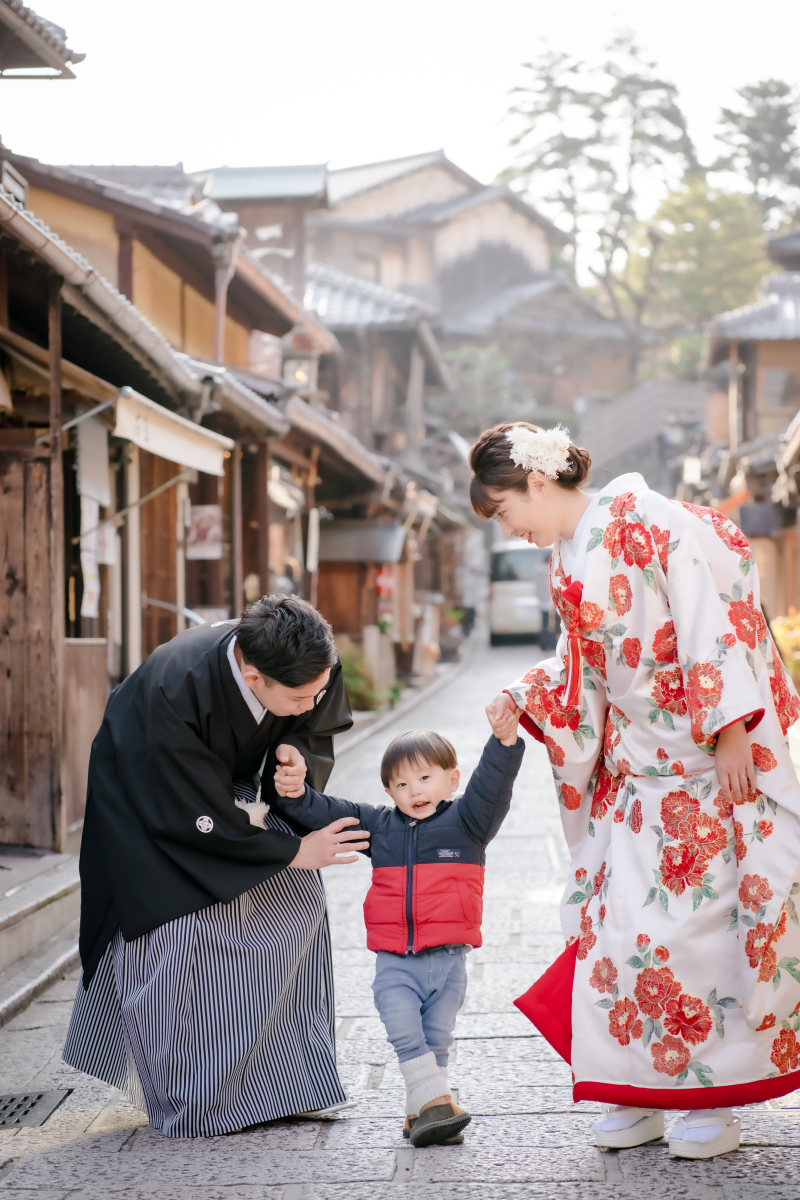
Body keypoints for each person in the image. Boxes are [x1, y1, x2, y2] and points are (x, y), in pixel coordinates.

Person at [474, 421, 800, 1160]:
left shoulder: (644, 517)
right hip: (634, 770)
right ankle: (636, 1090)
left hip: (704, 758)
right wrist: (527, 694)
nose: (509, 528)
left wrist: (735, 729)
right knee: (621, 936)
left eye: (502, 509)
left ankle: (711, 1100)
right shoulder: (565, 557)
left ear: (536, 481)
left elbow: (708, 618)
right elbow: (579, 668)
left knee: (699, 939)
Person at [63, 595, 370, 1138]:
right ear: (252, 676)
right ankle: (198, 1099)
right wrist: (294, 851)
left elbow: (314, 720)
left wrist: (299, 752)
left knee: (297, 906)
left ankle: (289, 1083)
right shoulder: (173, 686)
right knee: (184, 935)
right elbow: (185, 812)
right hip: (150, 800)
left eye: (317, 690)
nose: (311, 700)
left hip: (231, 792)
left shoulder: (306, 661)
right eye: (299, 697)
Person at [273, 713, 525, 1147]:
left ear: (451, 779)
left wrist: (504, 743)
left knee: (437, 1039)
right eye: (402, 784)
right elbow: (328, 810)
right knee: (405, 1031)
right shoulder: (380, 825)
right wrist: (296, 794)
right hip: (395, 960)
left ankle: (424, 1115)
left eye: (425, 777)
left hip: (448, 961)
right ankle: (437, 1104)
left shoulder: (469, 823)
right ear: (389, 792)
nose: (415, 791)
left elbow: (492, 785)